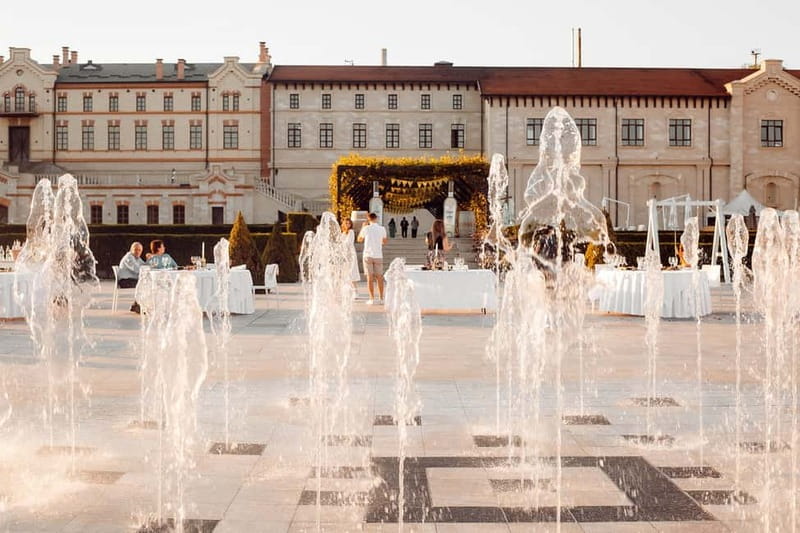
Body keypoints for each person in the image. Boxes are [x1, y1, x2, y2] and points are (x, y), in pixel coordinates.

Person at [357, 212, 388, 305]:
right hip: (378, 255)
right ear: (376, 218)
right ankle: (381, 298)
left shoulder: (366, 228)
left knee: (369, 277)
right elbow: (384, 241)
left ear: (368, 219)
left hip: (367, 255)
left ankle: (371, 298)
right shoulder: (382, 229)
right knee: (379, 277)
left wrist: (362, 227)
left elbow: (359, 239)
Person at [118, 241, 145, 313]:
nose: (138, 252)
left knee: (144, 282)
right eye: (136, 249)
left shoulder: (137, 258)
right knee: (144, 284)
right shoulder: (129, 257)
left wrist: (149, 261)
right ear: (131, 250)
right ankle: (137, 305)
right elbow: (137, 269)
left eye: (139, 250)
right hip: (125, 281)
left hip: (130, 280)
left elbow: (144, 266)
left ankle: (136, 305)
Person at [340, 218, 361, 289]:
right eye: (346, 223)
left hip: (350, 253)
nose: (348, 225)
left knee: (352, 271)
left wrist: (341, 244)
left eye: (349, 223)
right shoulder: (343, 233)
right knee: (345, 272)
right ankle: (348, 290)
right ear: (343, 224)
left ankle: (355, 290)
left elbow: (348, 242)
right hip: (344, 253)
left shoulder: (351, 232)